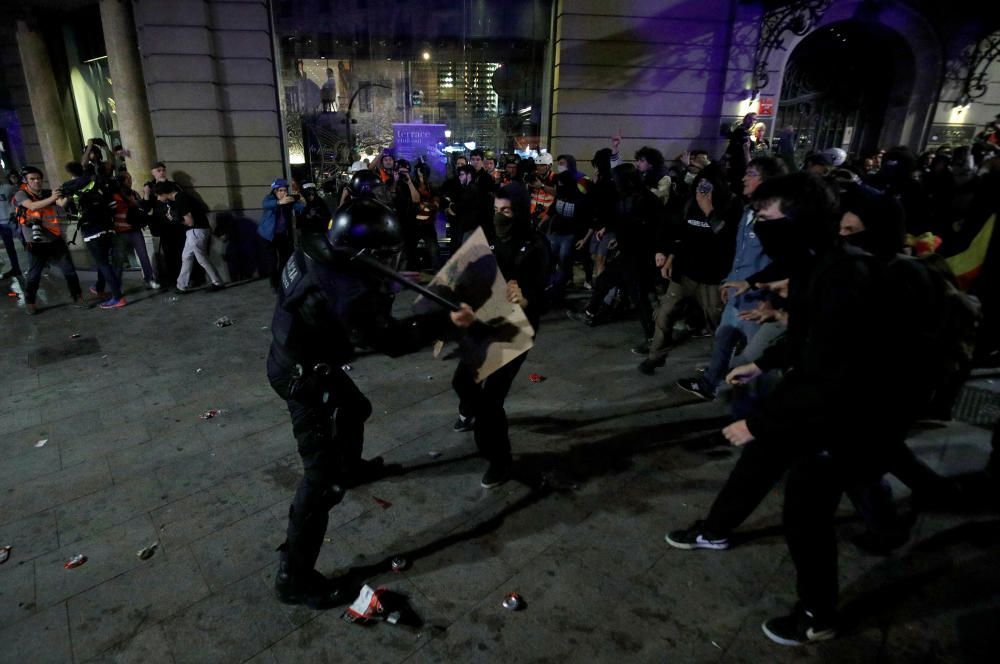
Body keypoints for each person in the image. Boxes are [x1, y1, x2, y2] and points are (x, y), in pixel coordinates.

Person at [267, 195, 475, 608]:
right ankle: (294, 578)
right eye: (387, 254)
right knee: (320, 482)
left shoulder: (314, 247)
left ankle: (353, 467)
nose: (393, 260)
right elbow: (388, 340)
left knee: (356, 409)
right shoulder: (348, 291)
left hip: (303, 358)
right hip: (304, 379)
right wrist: (444, 323)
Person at [450, 184, 549, 487]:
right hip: (484, 321)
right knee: (462, 381)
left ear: (520, 211)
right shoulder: (487, 237)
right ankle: (471, 412)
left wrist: (526, 297)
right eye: (496, 210)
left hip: (517, 329)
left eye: (506, 211)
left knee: (492, 400)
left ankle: (500, 460)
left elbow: (547, 292)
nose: (500, 217)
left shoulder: (536, 244)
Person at [13, 166, 84, 314]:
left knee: (69, 270)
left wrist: (68, 194)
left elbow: (62, 204)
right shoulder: (21, 194)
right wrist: (52, 197)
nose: (36, 181)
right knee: (34, 274)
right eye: (32, 179)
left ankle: (77, 297)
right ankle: (30, 302)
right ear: (26, 181)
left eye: (38, 178)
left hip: (55, 238)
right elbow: (32, 205)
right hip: (35, 241)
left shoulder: (46, 193)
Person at [154, 181, 224, 293]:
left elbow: (190, 222)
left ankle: (217, 282)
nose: (158, 198)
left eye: (158, 195)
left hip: (196, 231)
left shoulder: (180, 198)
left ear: (163, 193)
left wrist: (175, 219)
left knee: (201, 258)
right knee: (186, 257)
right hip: (195, 231)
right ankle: (181, 285)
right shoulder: (181, 197)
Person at [259, 178, 303, 289]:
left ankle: (282, 280)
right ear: (275, 191)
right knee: (272, 261)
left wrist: (302, 200)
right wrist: (279, 202)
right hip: (268, 236)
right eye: (281, 190)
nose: (284, 193)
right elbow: (266, 204)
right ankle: (275, 285)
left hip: (282, 235)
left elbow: (301, 208)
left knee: (285, 258)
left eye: (285, 190)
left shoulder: (288, 201)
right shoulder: (270, 199)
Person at [0, 170, 22, 279]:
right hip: (1, 224)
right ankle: (16, 268)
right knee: (9, 248)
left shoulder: (8, 188)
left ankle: (41, 263)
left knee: (26, 243)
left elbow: (20, 198)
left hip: (12, 221)